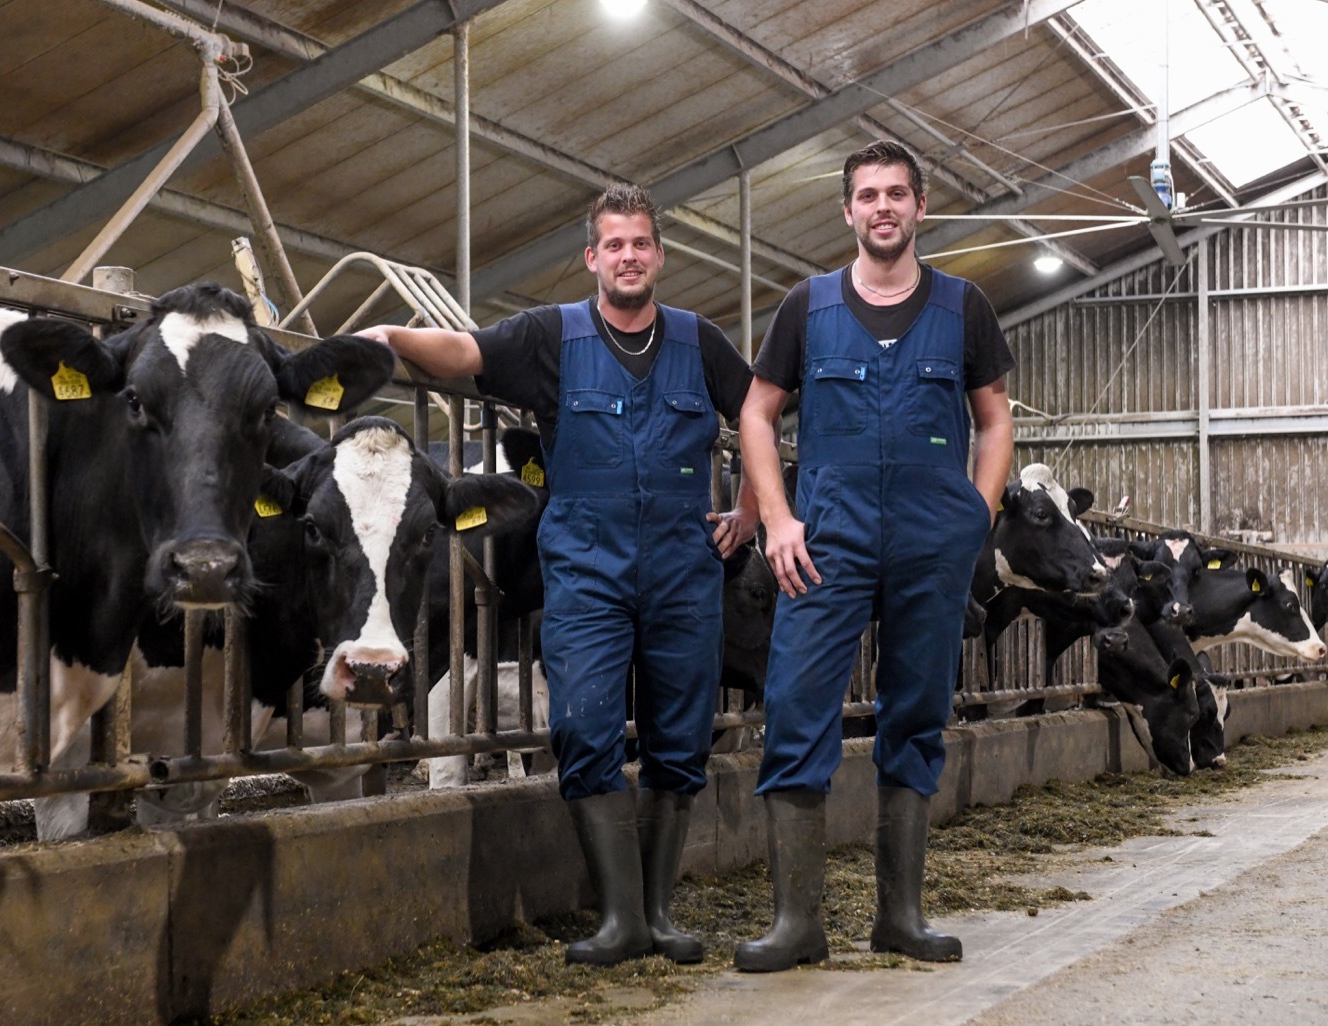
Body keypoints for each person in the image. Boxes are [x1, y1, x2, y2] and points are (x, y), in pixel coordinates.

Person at [358, 183, 758, 966]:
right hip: (587, 571)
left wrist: (748, 507)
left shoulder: (700, 341)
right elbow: (467, 352)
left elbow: (758, 410)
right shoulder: (551, 335)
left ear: (659, 256)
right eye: (615, 245)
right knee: (582, 725)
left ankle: (658, 913)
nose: (630, 256)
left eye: (641, 243)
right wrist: (391, 336)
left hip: (683, 569)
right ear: (593, 258)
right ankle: (618, 919)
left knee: (681, 739)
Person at [733, 141, 1015, 970]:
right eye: (868, 195)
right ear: (848, 212)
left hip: (933, 542)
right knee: (792, 705)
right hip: (827, 542)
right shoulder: (806, 307)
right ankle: (798, 924)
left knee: (917, 713)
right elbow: (757, 415)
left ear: (920, 207)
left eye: (897, 193)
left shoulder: (963, 307)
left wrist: (977, 514)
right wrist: (778, 519)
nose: (883, 207)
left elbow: (994, 421)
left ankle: (901, 917)